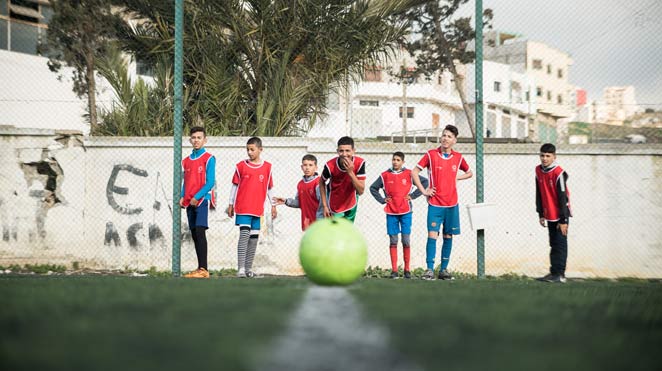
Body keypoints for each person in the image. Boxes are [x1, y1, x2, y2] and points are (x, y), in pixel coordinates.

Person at [412, 124, 472, 280]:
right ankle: (429, 269)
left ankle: (444, 270)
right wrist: (424, 191)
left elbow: (469, 172)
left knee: (448, 237)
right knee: (432, 235)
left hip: (452, 205)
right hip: (435, 204)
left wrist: (456, 177)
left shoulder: (458, 158)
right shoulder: (431, 155)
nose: (445, 138)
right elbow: (414, 172)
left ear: (454, 140)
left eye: (449, 136)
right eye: (444, 135)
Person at [370, 151, 428, 279]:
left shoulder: (409, 174)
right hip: (391, 212)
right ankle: (394, 270)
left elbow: (425, 182)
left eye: (398, 160)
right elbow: (373, 188)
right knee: (393, 240)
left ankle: (407, 270)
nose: (395, 162)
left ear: (403, 162)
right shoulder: (385, 175)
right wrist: (382, 200)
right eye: (394, 159)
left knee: (406, 240)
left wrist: (413, 196)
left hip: (406, 212)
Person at [227, 137, 277, 278]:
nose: (249, 152)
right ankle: (241, 269)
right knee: (244, 235)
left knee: (254, 238)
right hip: (243, 207)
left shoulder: (267, 167)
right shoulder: (240, 166)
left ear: (260, 150)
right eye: (247, 149)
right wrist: (230, 204)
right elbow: (234, 186)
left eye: (252, 149)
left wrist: (273, 205)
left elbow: (270, 188)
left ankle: (248, 269)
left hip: (257, 209)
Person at [179, 126, 216, 279]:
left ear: (204, 140)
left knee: (200, 232)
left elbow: (210, 182)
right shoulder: (186, 161)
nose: (196, 140)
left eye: (199, 138)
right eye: (193, 138)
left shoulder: (209, 158)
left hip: (201, 201)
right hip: (189, 202)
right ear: (190, 140)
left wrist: (197, 196)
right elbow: (185, 182)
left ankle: (204, 269)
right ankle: (200, 268)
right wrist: (182, 196)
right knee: (194, 234)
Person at [535, 143, 572, 283]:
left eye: (548, 156)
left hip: (561, 214)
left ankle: (560, 275)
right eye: (542, 155)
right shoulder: (538, 170)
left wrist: (563, 220)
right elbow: (538, 192)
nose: (544, 158)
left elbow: (563, 197)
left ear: (554, 157)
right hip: (549, 213)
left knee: (560, 244)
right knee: (553, 244)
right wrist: (541, 213)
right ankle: (553, 273)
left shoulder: (559, 173)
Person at [319, 136, 366, 223]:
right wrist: (325, 206)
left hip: (351, 202)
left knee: (347, 231)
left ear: (353, 151)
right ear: (337, 151)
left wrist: (350, 172)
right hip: (335, 203)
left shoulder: (360, 163)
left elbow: (361, 191)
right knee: (335, 231)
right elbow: (321, 182)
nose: (344, 154)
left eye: (347, 150)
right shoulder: (330, 166)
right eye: (341, 151)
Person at [273, 154, 323, 231]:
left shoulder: (319, 182)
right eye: (305, 165)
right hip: (306, 224)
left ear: (316, 168)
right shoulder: (300, 184)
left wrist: (320, 221)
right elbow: (299, 203)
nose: (307, 168)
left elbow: (323, 204)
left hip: (319, 224)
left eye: (310, 165)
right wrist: (286, 201)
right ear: (301, 167)